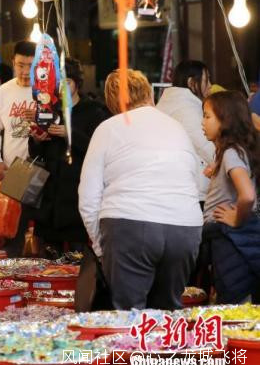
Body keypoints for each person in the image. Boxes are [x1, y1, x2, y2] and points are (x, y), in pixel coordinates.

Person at [79, 69, 203, 310]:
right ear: (149, 94)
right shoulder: (176, 127)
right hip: (185, 228)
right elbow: (194, 182)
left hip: (129, 225)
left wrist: (100, 246)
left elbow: (88, 197)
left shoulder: (108, 128)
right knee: (167, 313)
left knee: (129, 316)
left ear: (112, 102)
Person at [28, 58, 109, 255]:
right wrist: (37, 140)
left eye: (68, 82)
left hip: (76, 196)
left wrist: (69, 134)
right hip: (49, 197)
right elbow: (36, 155)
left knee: (77, 258)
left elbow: (100, 149)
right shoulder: (48, 111)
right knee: (47, 260)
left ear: (77, 83)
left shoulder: (93, 111)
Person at [201, 91, 260, 303]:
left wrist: (236, 218)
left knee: (234, 305)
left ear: (225, 120)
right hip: (230, 238)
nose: (202, 123)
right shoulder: (234, 152)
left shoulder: (230, 153)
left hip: (229, 238)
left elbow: (247, 195)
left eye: (207, 116)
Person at [0, 40, 36, 257]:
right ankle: (16, 271)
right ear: (13, 62)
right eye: (20, 65)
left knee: (42, 230)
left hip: (44, 167)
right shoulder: (3, 91)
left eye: (31, 66)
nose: (25, 72)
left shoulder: (48, 92)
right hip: (16, 170)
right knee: (14, 230)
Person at [156, 60, 214, 205]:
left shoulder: (170, 103)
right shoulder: (186, 109)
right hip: (193, 191)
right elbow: (207, 148)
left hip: (172, 186)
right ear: (191, 83)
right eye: (207, 80)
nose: (210, 85)